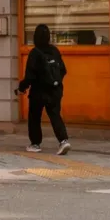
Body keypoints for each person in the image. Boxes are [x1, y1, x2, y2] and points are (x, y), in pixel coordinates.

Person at [17, 23, 71, 155]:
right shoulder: (54, 51)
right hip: (55, 90)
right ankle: (63, 141)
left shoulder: (34, 53)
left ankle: (35, 144)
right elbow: (63, 70)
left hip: (38, 91)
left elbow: (30, 76)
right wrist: (55, 82)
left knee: (34, 117)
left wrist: (22, 87)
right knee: (55, 115)